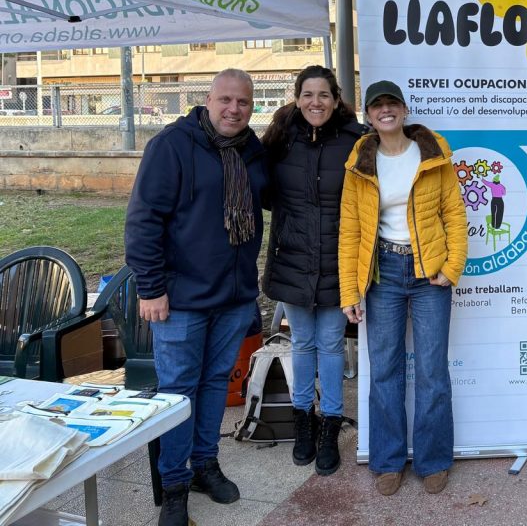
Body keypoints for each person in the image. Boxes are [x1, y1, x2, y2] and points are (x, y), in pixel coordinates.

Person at [125, 69, 269, 526]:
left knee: (213, 384)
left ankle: (205, 463)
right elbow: (143, 220)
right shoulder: (171, 146)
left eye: (243, 102)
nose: (234, 109)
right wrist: (151, 288)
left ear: (252, 106)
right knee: (177, 392)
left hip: (233, 295)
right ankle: (173, 485)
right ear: (207, 100)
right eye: (225, 99)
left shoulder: (251, 150)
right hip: (180, 298)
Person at [339, 80, 468, 496]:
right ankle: (388, 461)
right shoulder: (359, 161)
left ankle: (432, 460)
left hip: (428, 273)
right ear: (369, 115)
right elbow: (350, 231)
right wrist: (349, 292)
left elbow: (455, 214)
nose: (386, 110)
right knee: (385, 371)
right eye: (377, 106)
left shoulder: (432, 153)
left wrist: (451, 268)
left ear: (404, 109)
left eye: (392, 103)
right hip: (383, 274)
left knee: (432, 370)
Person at [261, 66, 365, 475]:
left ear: (336, 99)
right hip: (293, 257)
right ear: (297, 97)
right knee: (302, 343)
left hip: (339, 258)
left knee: (331, 343)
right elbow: (264, 189)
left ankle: (331, 425)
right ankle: (303, 419)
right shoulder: (281, 137)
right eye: (308, 94)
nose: (315, 102)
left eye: (324, 95)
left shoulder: (356, 141)